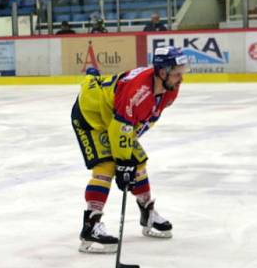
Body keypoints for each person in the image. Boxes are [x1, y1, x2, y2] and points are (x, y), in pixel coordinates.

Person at [70, 47, 187, 252]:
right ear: (162, 72)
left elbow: (142, 121)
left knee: (138, 161)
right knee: (106, 166)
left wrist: (128, 161)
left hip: (114, 118)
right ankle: (90, 226)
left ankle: (147, 213)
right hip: (91, 116)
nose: (181, 78)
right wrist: (123, 163)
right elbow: (119, 129)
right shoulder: (139, 91)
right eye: (177, 73)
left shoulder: (170, 90)